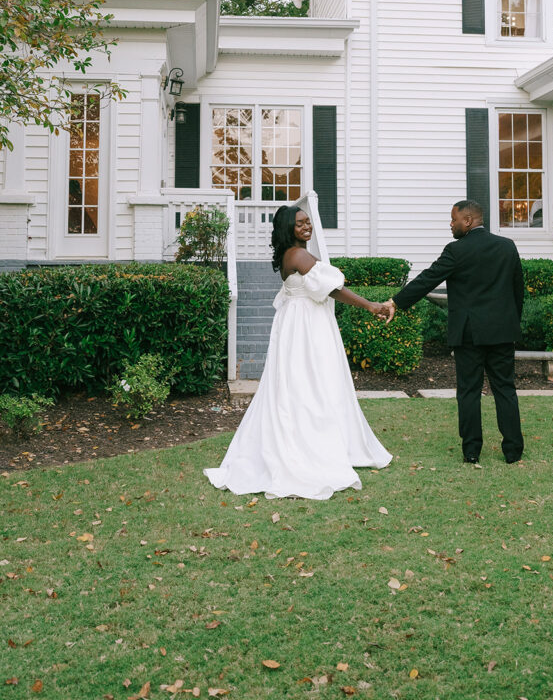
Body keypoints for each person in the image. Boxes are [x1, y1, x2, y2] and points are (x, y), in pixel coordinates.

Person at [204, 205, 392, 499]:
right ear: (288, 228)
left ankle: (316, 437)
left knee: (300, 384)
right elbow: (333, 290)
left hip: (300, 322)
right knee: (311, 382)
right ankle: (310, 444)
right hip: (306, 326)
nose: (307, 226)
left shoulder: (290, 254)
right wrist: (371, 305)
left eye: (308, 221)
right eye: (300, 223)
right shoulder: (298, 255)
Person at [380, 200, 524, 465]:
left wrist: (395, 302)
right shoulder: (507, 247)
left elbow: (427, 279)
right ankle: (513, 451)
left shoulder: (457, 251)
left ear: (468, 221)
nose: (450, 224)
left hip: (469, 333)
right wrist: (512, 322)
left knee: (468, 391)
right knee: (505, 389)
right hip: (503, 331)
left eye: (453, 219)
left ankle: (471, 451)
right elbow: (518, 290)